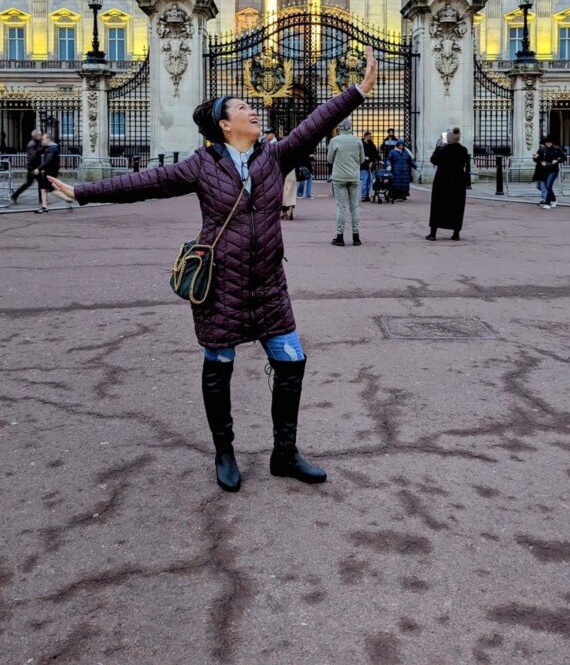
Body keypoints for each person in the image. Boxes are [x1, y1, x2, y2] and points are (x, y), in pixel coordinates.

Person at [48, 49, 377, 493]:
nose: (252, 109)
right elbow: (146, 183)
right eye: (243, 107)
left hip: (268, 286)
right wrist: (83, 192)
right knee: (219, 365)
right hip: (221, 285)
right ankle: (225, 452)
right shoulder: (202, 165)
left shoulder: (273, 157)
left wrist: (356, 92)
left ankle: (285, 453)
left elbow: (315, 122)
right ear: (225, 124)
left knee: (292, 363)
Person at [426, 127, 469, 241]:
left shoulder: (443, 150)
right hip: (458, 182)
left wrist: (438, 147)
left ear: (449, 138)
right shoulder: (463, 150)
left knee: (437, 206)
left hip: (442, 181)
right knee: (457, 207)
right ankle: (456, 233)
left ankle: (433, 233)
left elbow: (433, 160)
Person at [327, 119, 364, 246]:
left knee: (341, 207)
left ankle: (340, 236)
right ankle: (356, 236)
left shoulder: (335, 140)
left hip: (339, 177)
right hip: (354, 176)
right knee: (354, 206)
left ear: (340, 128)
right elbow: (362, 159)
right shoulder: (358, 140)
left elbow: (330, 159)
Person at [10, 128, 43, 205]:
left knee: (31, 183)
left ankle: (15, 196)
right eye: (40, 135)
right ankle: (42, 200)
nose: (41, 136)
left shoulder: (36, 143)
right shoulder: (32, 144)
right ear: (36, 136)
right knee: (38, 183)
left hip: (35, 166)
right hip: (33, 167)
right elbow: (32, 156)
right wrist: (40, 150)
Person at [34, 133, 62, 214]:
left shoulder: (53, 148)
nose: (42, 141)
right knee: (43, 188)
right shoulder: (49, 147)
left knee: (50, 189)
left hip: (50, 172)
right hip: (48, 171)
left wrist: (39, 168)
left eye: (43, 139)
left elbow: (48, 160)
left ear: (48, 139)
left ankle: (68, 198)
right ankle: (44, 207)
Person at [536, 135, 566, 208]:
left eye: (550, 143)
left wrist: (557, 160)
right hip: (544, 170)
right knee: (546, 187)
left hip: (553, 170)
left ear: (552, 143)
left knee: (548, 186)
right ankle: (554, 200)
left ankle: (547, 203)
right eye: (547, 143)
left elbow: (564, 158)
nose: (548, 144)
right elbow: (536, 159)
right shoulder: (542, 149)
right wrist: (538, 159)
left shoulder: (557, 149)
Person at [360, 130, 379, 202]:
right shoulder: (361, 144)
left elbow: (375, 154)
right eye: (368, 135)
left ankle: (367, 195)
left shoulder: (372, 144)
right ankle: (364, 195)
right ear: (365, 136)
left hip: (372, 165)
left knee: (370, 182)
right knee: (364, 181)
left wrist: (378, 160)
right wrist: (367, 162)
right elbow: (361, 156)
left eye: (370, 136)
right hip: (364, 166)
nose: (370, 137)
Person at [532, 140, 548, 204]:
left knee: (543, 186)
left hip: (545, 171)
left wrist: (545, 162)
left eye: (542, 144)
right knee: (538, 186)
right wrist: (535, 157)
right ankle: (549, 194)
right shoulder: (540, 150)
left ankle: (543, 199)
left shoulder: (548, 151)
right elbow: (535, 160)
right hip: (539, 170)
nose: (541, 146)